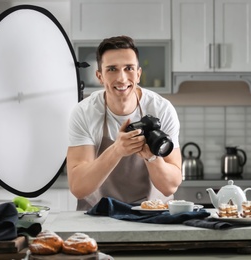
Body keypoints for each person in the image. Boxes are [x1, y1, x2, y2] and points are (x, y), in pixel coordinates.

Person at [67, 35, 182, 210]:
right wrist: (117, 150)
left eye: (128, 68)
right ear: (100, 76)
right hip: (99, 215)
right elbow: (79, 188)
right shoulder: (84, 113)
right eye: (112, 69)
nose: (121, 78)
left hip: (153, 214)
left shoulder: (162, 109)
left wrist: (151, 156)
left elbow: (170, 186)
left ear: (138, 74)